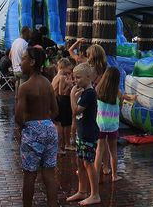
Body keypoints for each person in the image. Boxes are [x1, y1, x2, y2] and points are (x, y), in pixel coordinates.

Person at [16, 47, 59, 207]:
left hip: (32, 131)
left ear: (32, 62)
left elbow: (18, 117)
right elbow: (55, 110)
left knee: (29, 175)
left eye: (24, 59)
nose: (21, 63)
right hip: (49, 128)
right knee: (49, 174)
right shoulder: (47, 83)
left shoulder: (25, 87)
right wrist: (45, 122)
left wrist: (27, 126)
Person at [67, 62, 100, 206]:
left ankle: (95, 194)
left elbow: (75, 111)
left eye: (79, 77)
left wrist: (71, 97)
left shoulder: (89, 93)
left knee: (88, 163)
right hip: (82, 132)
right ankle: (82, 191)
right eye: (75, 78)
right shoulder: (83, 92)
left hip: (88, 133)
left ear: (88, 77)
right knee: (80, 163)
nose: (76, 81)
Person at [95, 66, 135, 182]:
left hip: (100, 124)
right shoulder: (117, 93)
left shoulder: (98, 89)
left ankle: (96, 175)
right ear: (117, 80)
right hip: (113, 125)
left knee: (99, 150)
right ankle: (114, 175)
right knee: (113, 151)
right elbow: (121, 107)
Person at [51, 57, 74, 154]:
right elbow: (62, 92)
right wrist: (69, 85)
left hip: (57, 101)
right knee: (65, 124)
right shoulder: (62, 77)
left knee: (59, 124)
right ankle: (66, 144)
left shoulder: (56, 76)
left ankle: (62, 145)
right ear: (63, 67)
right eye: (69, 69)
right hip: (63, 101)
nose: (70, 71)